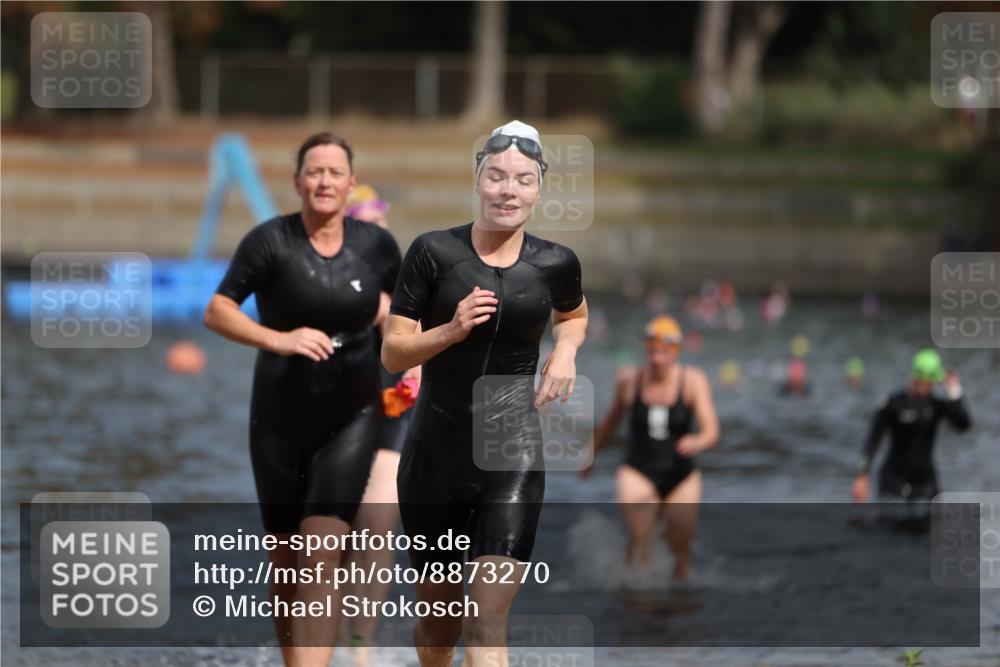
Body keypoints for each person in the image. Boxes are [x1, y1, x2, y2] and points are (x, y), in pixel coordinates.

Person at [381, 120, 588, 667]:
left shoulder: (555, 263)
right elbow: (393, 353)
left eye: (522, 179)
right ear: (478, 181)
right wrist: (450, 330)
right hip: (433, 455)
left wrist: (565, 351)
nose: (508, 190)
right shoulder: (432, 253)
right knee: (439, 626)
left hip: (511, 450)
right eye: (496, 176)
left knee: (487, 615)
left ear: (539, 189)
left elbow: (575, 315)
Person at [204, 133, 401, 667]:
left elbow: (408, 322)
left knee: (321, 553)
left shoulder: (378, 248)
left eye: (335, 172)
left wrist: (414, 356)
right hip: (277, 420)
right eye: (314, 172)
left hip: (352, 419)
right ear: (297, 183)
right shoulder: (269, 242)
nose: (324, 181)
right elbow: (218, 310)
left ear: (350, 183)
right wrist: (279, 338)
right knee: (287, 560)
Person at [339, 183, 419, 667]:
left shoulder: (409, 279)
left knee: (377, 525)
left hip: (391, 415)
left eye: (381, 226)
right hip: (335, 420)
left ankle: (360, 650)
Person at [583, 315, 719, 580]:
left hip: (681, 475)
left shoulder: (692, 381)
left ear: (675, 352)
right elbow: (610, 424)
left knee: (680, 548)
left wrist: (698, 440)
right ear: (646, 350)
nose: (657, 360)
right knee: (640, 540)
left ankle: (680, 602)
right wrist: (590, 454)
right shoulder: (629, 381)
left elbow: (712, 430)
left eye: (664, 353)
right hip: (638, 471)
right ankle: (638, 602)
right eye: (653, 351)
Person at [851, 348, 972, 503]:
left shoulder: (937, 406)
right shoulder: (893, 403)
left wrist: (954, 391)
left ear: (934, 380)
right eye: (920, 377)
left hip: (925, 486)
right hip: (893, 484)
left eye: (929, 379)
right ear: (914, 375)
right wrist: (862, 475)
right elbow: (872, 440)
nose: (923, 383)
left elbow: (963, 425)